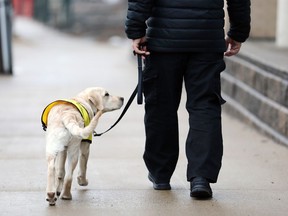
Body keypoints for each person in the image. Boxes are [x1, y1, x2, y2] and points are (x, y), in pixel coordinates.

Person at [125, 0, 251, 199]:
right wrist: (238, 32)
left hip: (164, 40)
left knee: (161, 107)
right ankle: (201, 177)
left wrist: (135, 30)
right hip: (206, 41)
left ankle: (160, 174)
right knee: (204, 106)